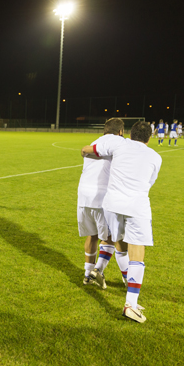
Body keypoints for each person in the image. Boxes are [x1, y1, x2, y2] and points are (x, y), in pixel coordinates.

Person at [81, 121, 162, 323]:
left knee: (117, 243)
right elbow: (149, 183)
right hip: (136, 206)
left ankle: (98, 271)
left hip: (111, 205)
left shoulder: (118, 145)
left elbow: (88, 150)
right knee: (137, 253)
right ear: (149, 137)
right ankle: (130, 305)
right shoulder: (155, 156)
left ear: (128, 134)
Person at [77, 118, 129, 289]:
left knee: (92, 235)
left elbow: (85, 151)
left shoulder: (94, 142)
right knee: (112, 237)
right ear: (120, 131)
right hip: (103, 196)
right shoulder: (120, 143)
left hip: (84, 195)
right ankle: (100, 271)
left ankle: (87, 275)